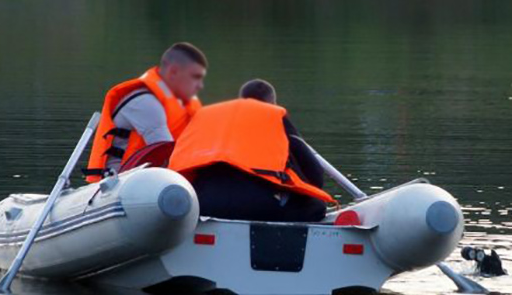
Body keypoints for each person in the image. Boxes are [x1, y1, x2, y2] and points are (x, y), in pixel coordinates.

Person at [169, 79, 335, 222]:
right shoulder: (274, 116)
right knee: (316, 205)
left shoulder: (206, 117)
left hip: (203, 204)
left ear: (241, 99)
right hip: (259, 206)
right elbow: (314, 174)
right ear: (272, 104)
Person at [84, 42, 208, 183]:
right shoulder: (145, 102)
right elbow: (165, 152)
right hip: (119, 183)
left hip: (149, 180)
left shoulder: (184, 103)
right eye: (195, 77)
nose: (200, 85)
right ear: (173, 72)